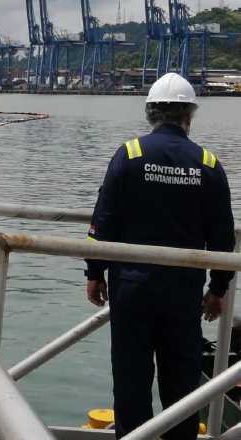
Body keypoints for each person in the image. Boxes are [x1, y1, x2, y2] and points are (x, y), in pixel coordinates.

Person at [85, 72, 235, 440]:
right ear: (189, 116)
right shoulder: (208, 164)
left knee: (131, 381)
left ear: (150, 113)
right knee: (181, 384)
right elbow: (222, 237)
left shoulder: (130, 155)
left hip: (132, 291)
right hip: (182, 293)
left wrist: (94, 272)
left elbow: (103, 221)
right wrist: (218, 288)